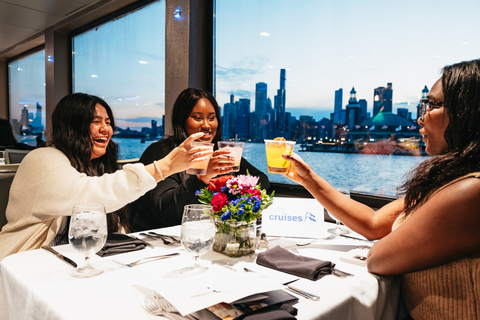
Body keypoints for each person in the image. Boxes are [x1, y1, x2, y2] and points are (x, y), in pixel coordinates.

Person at [281, 59, 480, 319]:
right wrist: (307, 178)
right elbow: (374, 223)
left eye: (432, 105)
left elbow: (378, 258)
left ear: (467, 112)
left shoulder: (469, 192)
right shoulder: (451, 182)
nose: (421, 118)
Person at [0, 93, 212, 261]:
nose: (106, 129)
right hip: (22, 265)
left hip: (74, 265)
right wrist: (162, 167)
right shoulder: (42, 159)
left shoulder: (97, 166)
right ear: (72, 126)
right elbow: (86, 195)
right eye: (96, 121)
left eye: (108, 122)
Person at [130, 88, 270, 231]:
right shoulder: (162, 152)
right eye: (197, 118)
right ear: (182, 120)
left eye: (211, 118)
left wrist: (235, 196)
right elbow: (164, 212)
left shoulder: (219, 152)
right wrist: (201, 178)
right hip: (157, 240)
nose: (206, 125)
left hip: (206, 234)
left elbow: (262, 180)